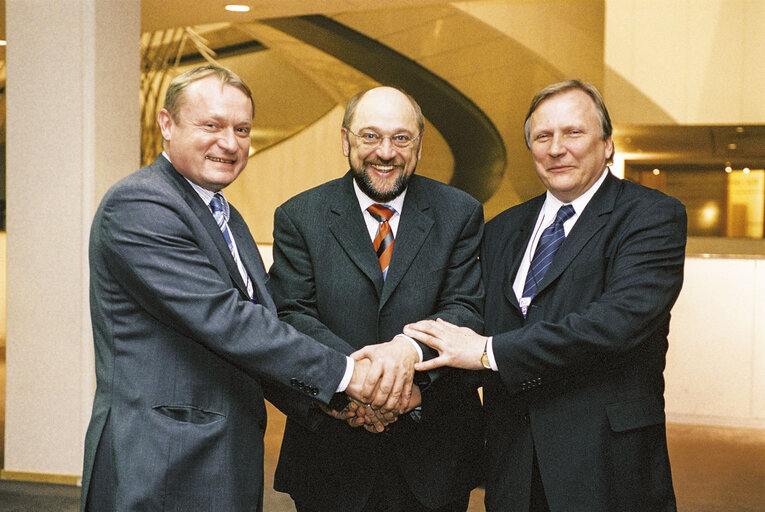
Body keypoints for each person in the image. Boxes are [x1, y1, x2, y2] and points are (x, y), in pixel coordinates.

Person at [80, 65, 403, 512]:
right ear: (167, 125)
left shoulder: (226, 216)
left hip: (220, 455)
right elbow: (229, 323)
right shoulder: (141, 205)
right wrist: (349, 377)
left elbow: (260, 329)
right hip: (160, 461)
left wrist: (330, 404)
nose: (229, 143)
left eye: (242, 128)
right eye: (210, 125)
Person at [405, 80, 687, 511]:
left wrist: (487, 351)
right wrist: (407, 379)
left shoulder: (651, 216)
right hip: (513, 463)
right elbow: (470, 323)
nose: (557, 148)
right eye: (543, 136)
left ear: (607, 144)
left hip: (606, 464)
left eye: (573, 132)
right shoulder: (500, 229)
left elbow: (615, 323)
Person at [268, 86, 485, 512]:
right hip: (329, 455)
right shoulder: (299, 217)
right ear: (345, 140)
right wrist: (356, 383)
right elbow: (291, 315)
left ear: (419, 146)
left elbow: (466, 310)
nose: (385, 152)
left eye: (401, 138)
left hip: (434, 457)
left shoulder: (460, 213)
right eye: (370, 136)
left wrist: (406, 358)